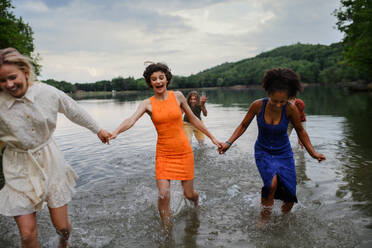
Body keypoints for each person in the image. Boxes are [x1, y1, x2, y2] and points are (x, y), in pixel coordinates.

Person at [0, 48, 111, 248]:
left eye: (12, 77)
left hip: (49, 160)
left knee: (62, 227)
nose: (8, 84)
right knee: (27, 234)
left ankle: (64, 241)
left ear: (25, 72)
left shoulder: (47, 92)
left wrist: (98, 130)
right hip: (17, 166)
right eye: (1, 81)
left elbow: (73, 110)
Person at [110, 63, 221, 229]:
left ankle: (196, 202)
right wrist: (116, 132)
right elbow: (131, 120)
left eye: (161, 77)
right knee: (163, 194)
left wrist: (212, 137)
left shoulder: (178, 96)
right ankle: (167, 234)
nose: (158, 81)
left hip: (183, 151)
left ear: (166, 79)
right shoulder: (147, 104)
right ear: (150, 83)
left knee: (189, 194)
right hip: (163, 154)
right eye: (154, 79)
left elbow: (193, 119)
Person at [218, 68, 325, 225]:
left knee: (290, 194)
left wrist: (313, 153)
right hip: (263, 151)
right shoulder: (257, 106)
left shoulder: (290, 108)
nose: (279, 104)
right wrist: (228, 143)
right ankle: (264, 217)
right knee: (271, 184)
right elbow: (243, 125)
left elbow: (301, 131)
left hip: (284, 153)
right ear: (268, 92)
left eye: (283, 101)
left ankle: (283, 221)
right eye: (275, 101)